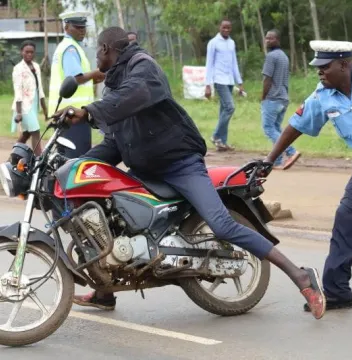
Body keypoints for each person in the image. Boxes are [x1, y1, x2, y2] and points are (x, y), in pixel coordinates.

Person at [55, 26, 326, 320]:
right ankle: (105, 291)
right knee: (102, 211)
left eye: (98, 51)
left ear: (107, 49)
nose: (96, 58)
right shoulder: (114, 87)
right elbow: (114, 144)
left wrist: (88, 111)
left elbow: (139, 94)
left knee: (222, 225)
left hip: (180, 165)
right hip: (146, 170)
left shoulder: (143, 67)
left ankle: (301, 276)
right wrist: (76, 166)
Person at [264, 40, 352, 311]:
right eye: (317, 67)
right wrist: (270, 160)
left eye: (324, 67)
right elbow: (296, 125)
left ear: (344, 64)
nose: (319, 72)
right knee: (347, 219)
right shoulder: (323, 96)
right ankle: (337, 292)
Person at [48, 10, 105, 158]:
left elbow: (78, 79)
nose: (82, 31)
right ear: (66, 27)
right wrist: (95, 73)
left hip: (70, 114)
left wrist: (92, 78)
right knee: (75, 161)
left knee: (66, 159)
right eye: (77, 27)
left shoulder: (70, 46)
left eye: (84, 27)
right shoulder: (70, 48)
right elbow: (76, 78)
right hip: (72, 115)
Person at [261, 30, 300, 170]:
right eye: (266, 38)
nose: (267, 41)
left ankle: (291, 151)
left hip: (272, 97)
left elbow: (267, 78)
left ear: (277, 40)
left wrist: (263, 97)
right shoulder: (284, 56)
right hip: (283, 98)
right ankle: (276, 161)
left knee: (268, 128)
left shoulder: (271, 56)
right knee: (276, 128)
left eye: (270, 38)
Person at [205, 19, 245, 152]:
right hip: (219, 80)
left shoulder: (231, 43)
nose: (226, 30)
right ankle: (216, 135)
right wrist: (208, 85)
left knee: (224, 111)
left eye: (228, 28)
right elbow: (209, 64)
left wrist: (240, 82)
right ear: (219, 27)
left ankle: (222, 142)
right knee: (230, 107)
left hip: (229, 81)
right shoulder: (213, 43)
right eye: (224, 28)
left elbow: (234, 63)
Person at [11, 40, 47, 156]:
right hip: (24, 106)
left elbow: (39, 88)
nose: (29, 54)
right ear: (22, 52)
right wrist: (19, 112)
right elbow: (18, 91)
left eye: (32, 52)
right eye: (27, 52)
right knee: (35, 131)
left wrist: (45, 109)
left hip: (34, 104)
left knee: (26, 134)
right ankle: (39, 160)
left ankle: (12, 157)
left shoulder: (36, 66)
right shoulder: (18, 68)